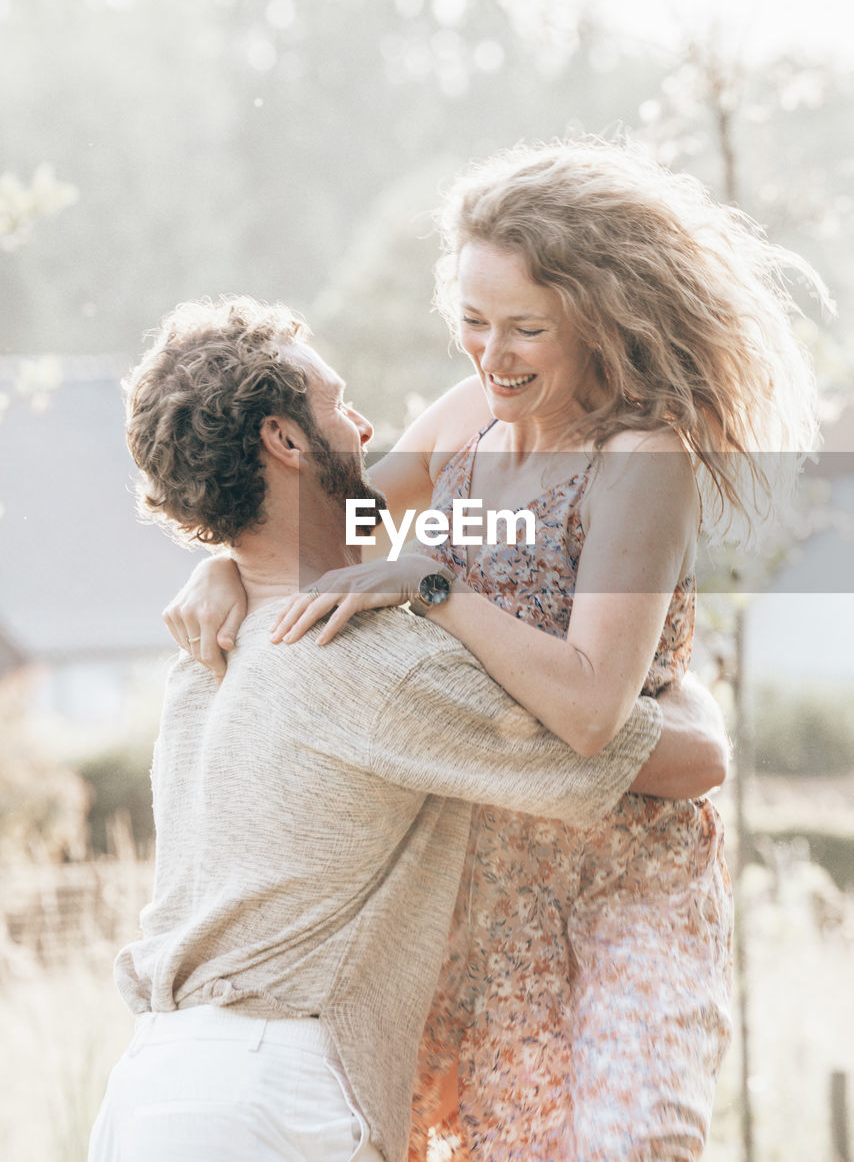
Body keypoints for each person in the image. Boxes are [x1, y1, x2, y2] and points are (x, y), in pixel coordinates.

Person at [166, 138, 823, 1159]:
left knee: (630, 1140)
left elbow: (590, 706)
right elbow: (323, 524)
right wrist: (224, 568)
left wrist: (434, 585)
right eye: (471, 323)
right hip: (483, 881)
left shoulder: (638, 462)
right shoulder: (474, 412)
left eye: (526, 328)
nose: (490, 355)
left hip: (620, 880)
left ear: (599, 319)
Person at [89, 296, 728, 1162]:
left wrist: (223, 559)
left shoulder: (208, 654)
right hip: (272, 1091)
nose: (362, 423)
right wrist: (680, 682)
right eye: (336, 403)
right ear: (284, 441)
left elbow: (343, 527)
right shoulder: (383, 663)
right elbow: (685, 761)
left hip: (148, 1088)